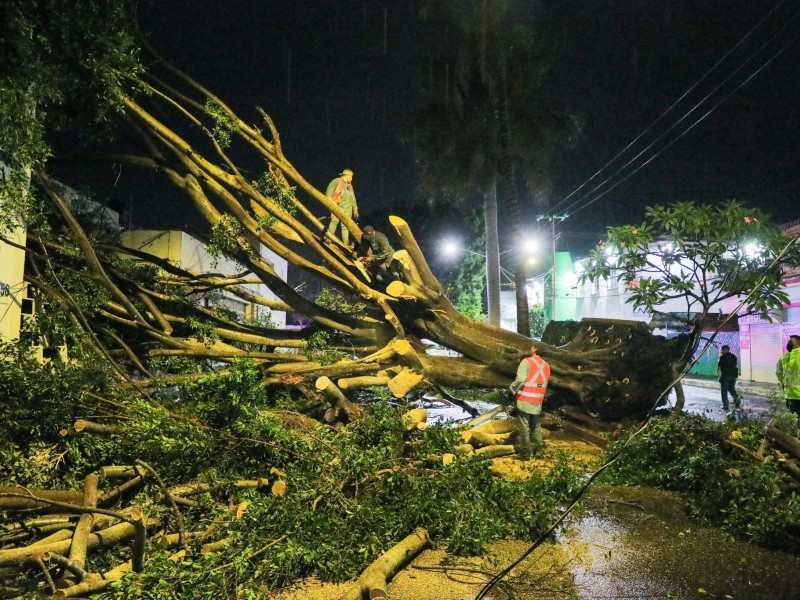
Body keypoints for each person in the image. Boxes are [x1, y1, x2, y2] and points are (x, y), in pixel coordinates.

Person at [509, 344, 551, 459]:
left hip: (524, 399)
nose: (530, 348)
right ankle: (539, 451)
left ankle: (526, 453)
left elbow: (521, 380)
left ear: (535, 349)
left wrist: (512, 389)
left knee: (524, 426)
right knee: (535, 425)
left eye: (531, 347)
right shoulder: (546, 365)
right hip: (537, 400)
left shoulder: (526, 362)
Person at [325, 169, 358, 245]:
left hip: (348, 210)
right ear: (348, 176)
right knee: (334, 222)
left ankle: (345, 243)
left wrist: (355, 210)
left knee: (345, 226)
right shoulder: (337, 181)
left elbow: (353, 199)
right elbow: (328, 193)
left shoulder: (350, 187)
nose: (352, 179)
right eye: (351, 177)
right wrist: (331, 203)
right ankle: (329, 238)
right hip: (337, 207)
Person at [776, 335, 800, 416]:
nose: (788, 344)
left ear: (798, 344)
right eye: (788, 342)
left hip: (790, 396)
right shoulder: (783, 357)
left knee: (793, 419)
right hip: (790, 395)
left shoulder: (783, 357)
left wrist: (784, 385)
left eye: (790, 342)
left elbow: (778, 373)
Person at [717, 345, 740, 411]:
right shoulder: (734, 357)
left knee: (724, 391)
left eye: (722, 350)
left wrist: (719, 359)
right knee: (731, 389)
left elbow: (719, 366)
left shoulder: (722, 357)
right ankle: (737, 402)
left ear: (725, 350)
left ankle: (725, 406)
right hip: (733, 376)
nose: (721, 351)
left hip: (725, 376)